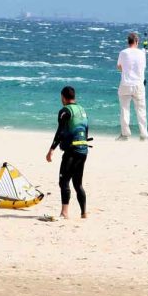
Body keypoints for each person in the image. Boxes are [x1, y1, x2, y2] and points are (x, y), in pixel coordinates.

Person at [46, 85, 88, 220]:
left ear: (63, 97)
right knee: (77, 183)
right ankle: (83, 213)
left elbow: (60, 131)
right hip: (83, 149)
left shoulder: (65, 111)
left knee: (63, 181)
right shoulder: (82, 110)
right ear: (74, 96)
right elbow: (85, 129)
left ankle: (64, 213)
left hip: (71, 151)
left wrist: (51, 149)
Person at [116, 32, 148, 140]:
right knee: (141, 110)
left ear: (128, 41)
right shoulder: (142, 53)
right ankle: (143, 134)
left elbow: (119, 67)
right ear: (137, 42)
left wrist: (125, 69)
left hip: (125, 84)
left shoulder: (123, 52)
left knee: (125, 109)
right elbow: (143, 67)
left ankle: (125, 134)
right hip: (139, 84)